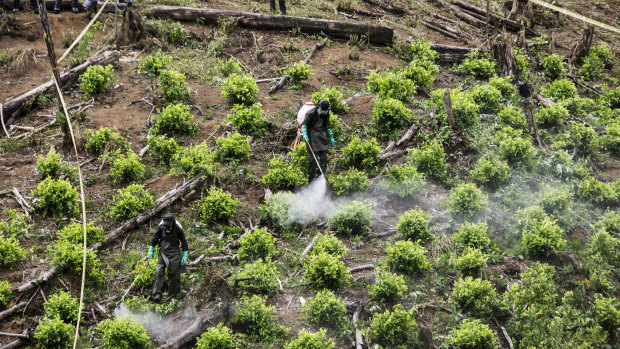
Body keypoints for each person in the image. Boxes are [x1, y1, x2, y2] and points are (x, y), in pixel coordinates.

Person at [148, 213, 188, 302]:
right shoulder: (161, 227)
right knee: (159, 271)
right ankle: (157, 294)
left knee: (174, 274)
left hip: (174, 253)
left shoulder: (178, 228)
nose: (167, 227)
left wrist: (185, 255)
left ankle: (172, 295)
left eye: (168, 225)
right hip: (163, 253)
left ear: (172, 223)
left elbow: (184, 243)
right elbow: (154, 240)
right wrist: (151, 250)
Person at [301, 99, 335, 182]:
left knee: (324, 158)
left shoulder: (326, 113)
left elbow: (327, 126)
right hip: (311, 136)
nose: (324, 111)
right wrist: (304, 134)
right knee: (313, 159)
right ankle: (311, 178)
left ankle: (320, 176)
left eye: (325, 109)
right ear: (319, 107)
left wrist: (331, 136)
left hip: (321, 136)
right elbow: (304, 125)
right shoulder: (311, 113)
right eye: (323, 109)